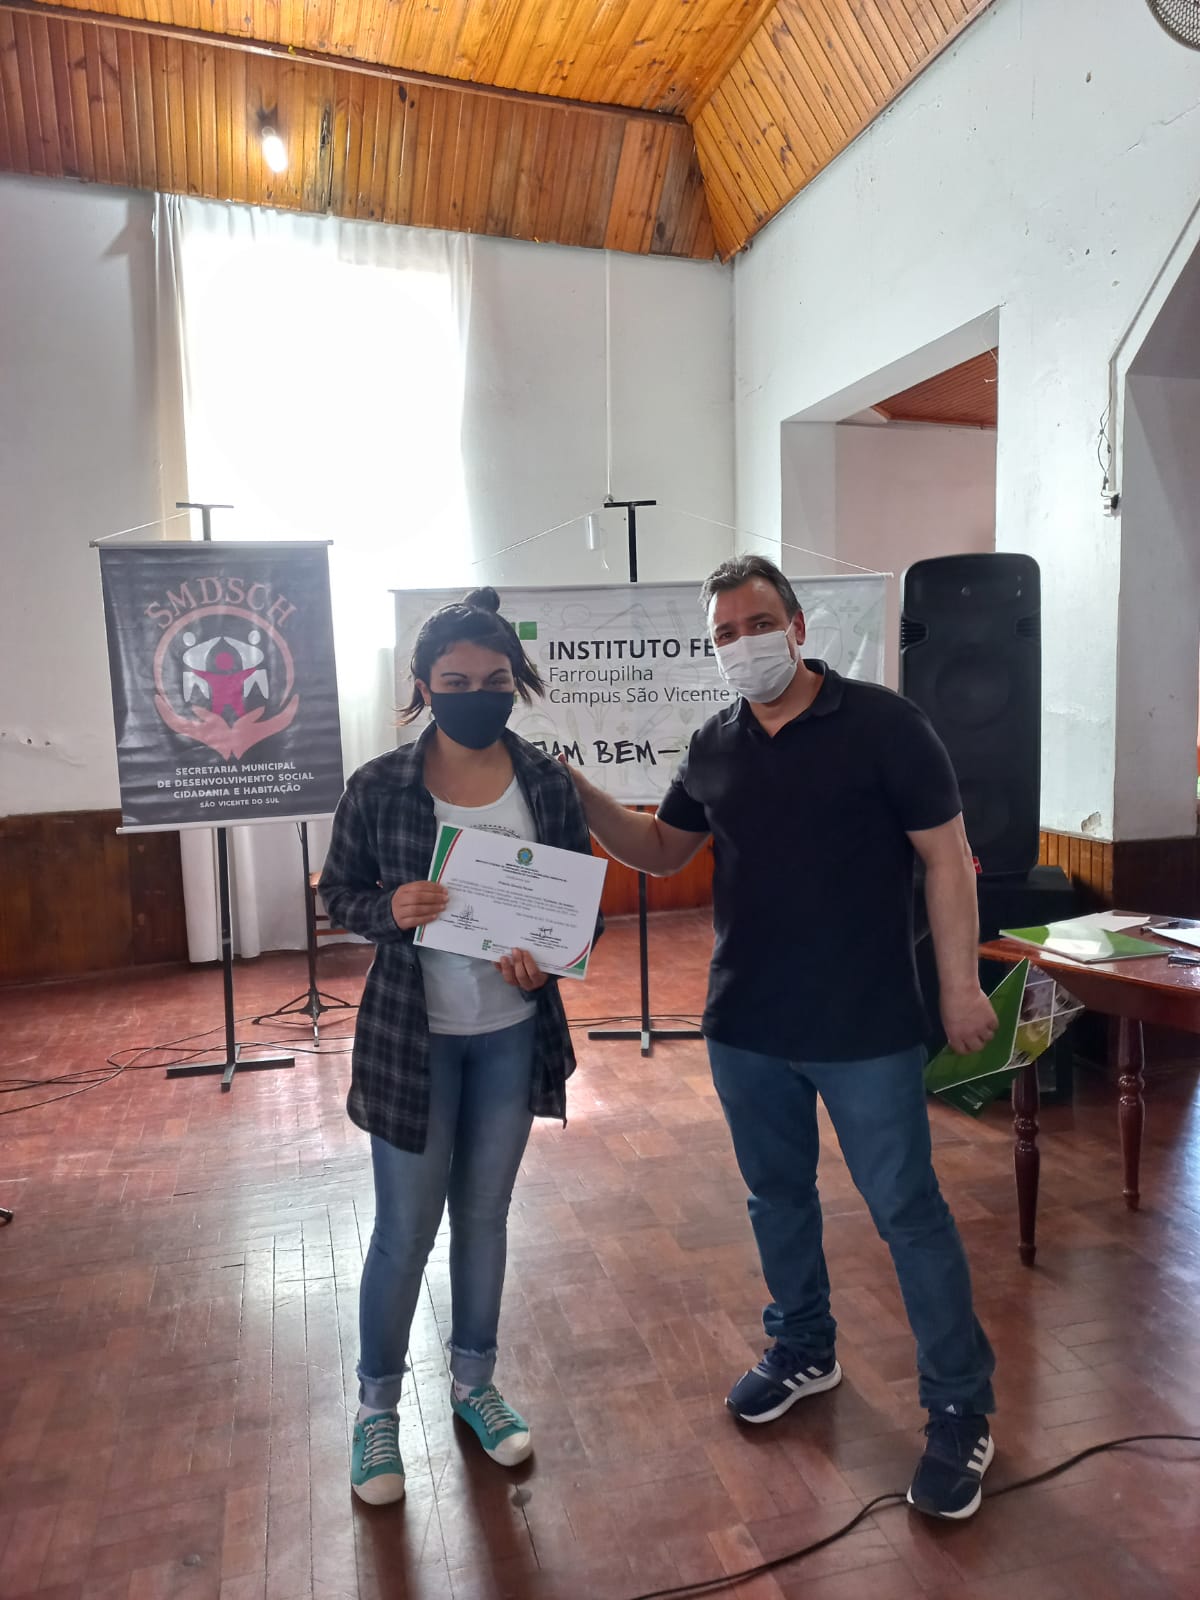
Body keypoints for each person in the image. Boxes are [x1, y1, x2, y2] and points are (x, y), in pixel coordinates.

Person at [564, 555, 999, 1521]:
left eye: (757, 624)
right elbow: (661, 850)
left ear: (797, 627)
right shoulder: (714, 743)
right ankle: (804, 1346)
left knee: (907, 1213)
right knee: (776, 1199)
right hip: (748, 1023)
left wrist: (960, 986)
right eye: (723, 633)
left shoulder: (886, 724)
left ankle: (960, 1405)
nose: (742, 645)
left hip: (865, 1024)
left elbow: (947, 860)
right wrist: (578, 789)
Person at [319, 588, 600, 1506]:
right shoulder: (379, 785)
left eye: (493, 679)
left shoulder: (546, 785)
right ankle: (376, 1411)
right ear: (422, 686)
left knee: (484, 1218)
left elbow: (574, 916)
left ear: (516, 682)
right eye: (455, 680)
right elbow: (338, 894)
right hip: (413, 1040)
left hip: (510, 1036)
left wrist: (546, 964)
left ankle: (475, 1384)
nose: (477, 695)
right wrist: (389, 909)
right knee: (404, 1231)